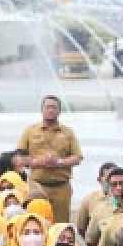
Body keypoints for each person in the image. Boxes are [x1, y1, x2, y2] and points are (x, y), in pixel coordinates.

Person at [16, 95, 83, 223]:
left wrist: (59, 162)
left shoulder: (68, 132)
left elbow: (77, 158)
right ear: (42, 109)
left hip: (61, 187)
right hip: (37, 186)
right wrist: (41, 162)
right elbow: (19, 158)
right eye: (48, 107)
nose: (51, 110)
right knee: (37, 222)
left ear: (59, 111)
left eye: (54, 107)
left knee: (60, 225)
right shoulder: (30, 131)